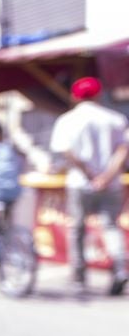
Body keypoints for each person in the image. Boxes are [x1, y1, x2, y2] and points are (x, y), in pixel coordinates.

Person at [49, 75, 128, 295]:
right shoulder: (115, 119)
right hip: (111, 183)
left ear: (74, 96)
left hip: (80, 182)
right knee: (111, 225)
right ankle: (120, 269)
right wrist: (106, 176)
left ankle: (79, 274)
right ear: (99, 94)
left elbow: (66, 151)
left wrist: (90, 174)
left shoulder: (68, 120)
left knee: (78, 228)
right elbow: (123, 150)